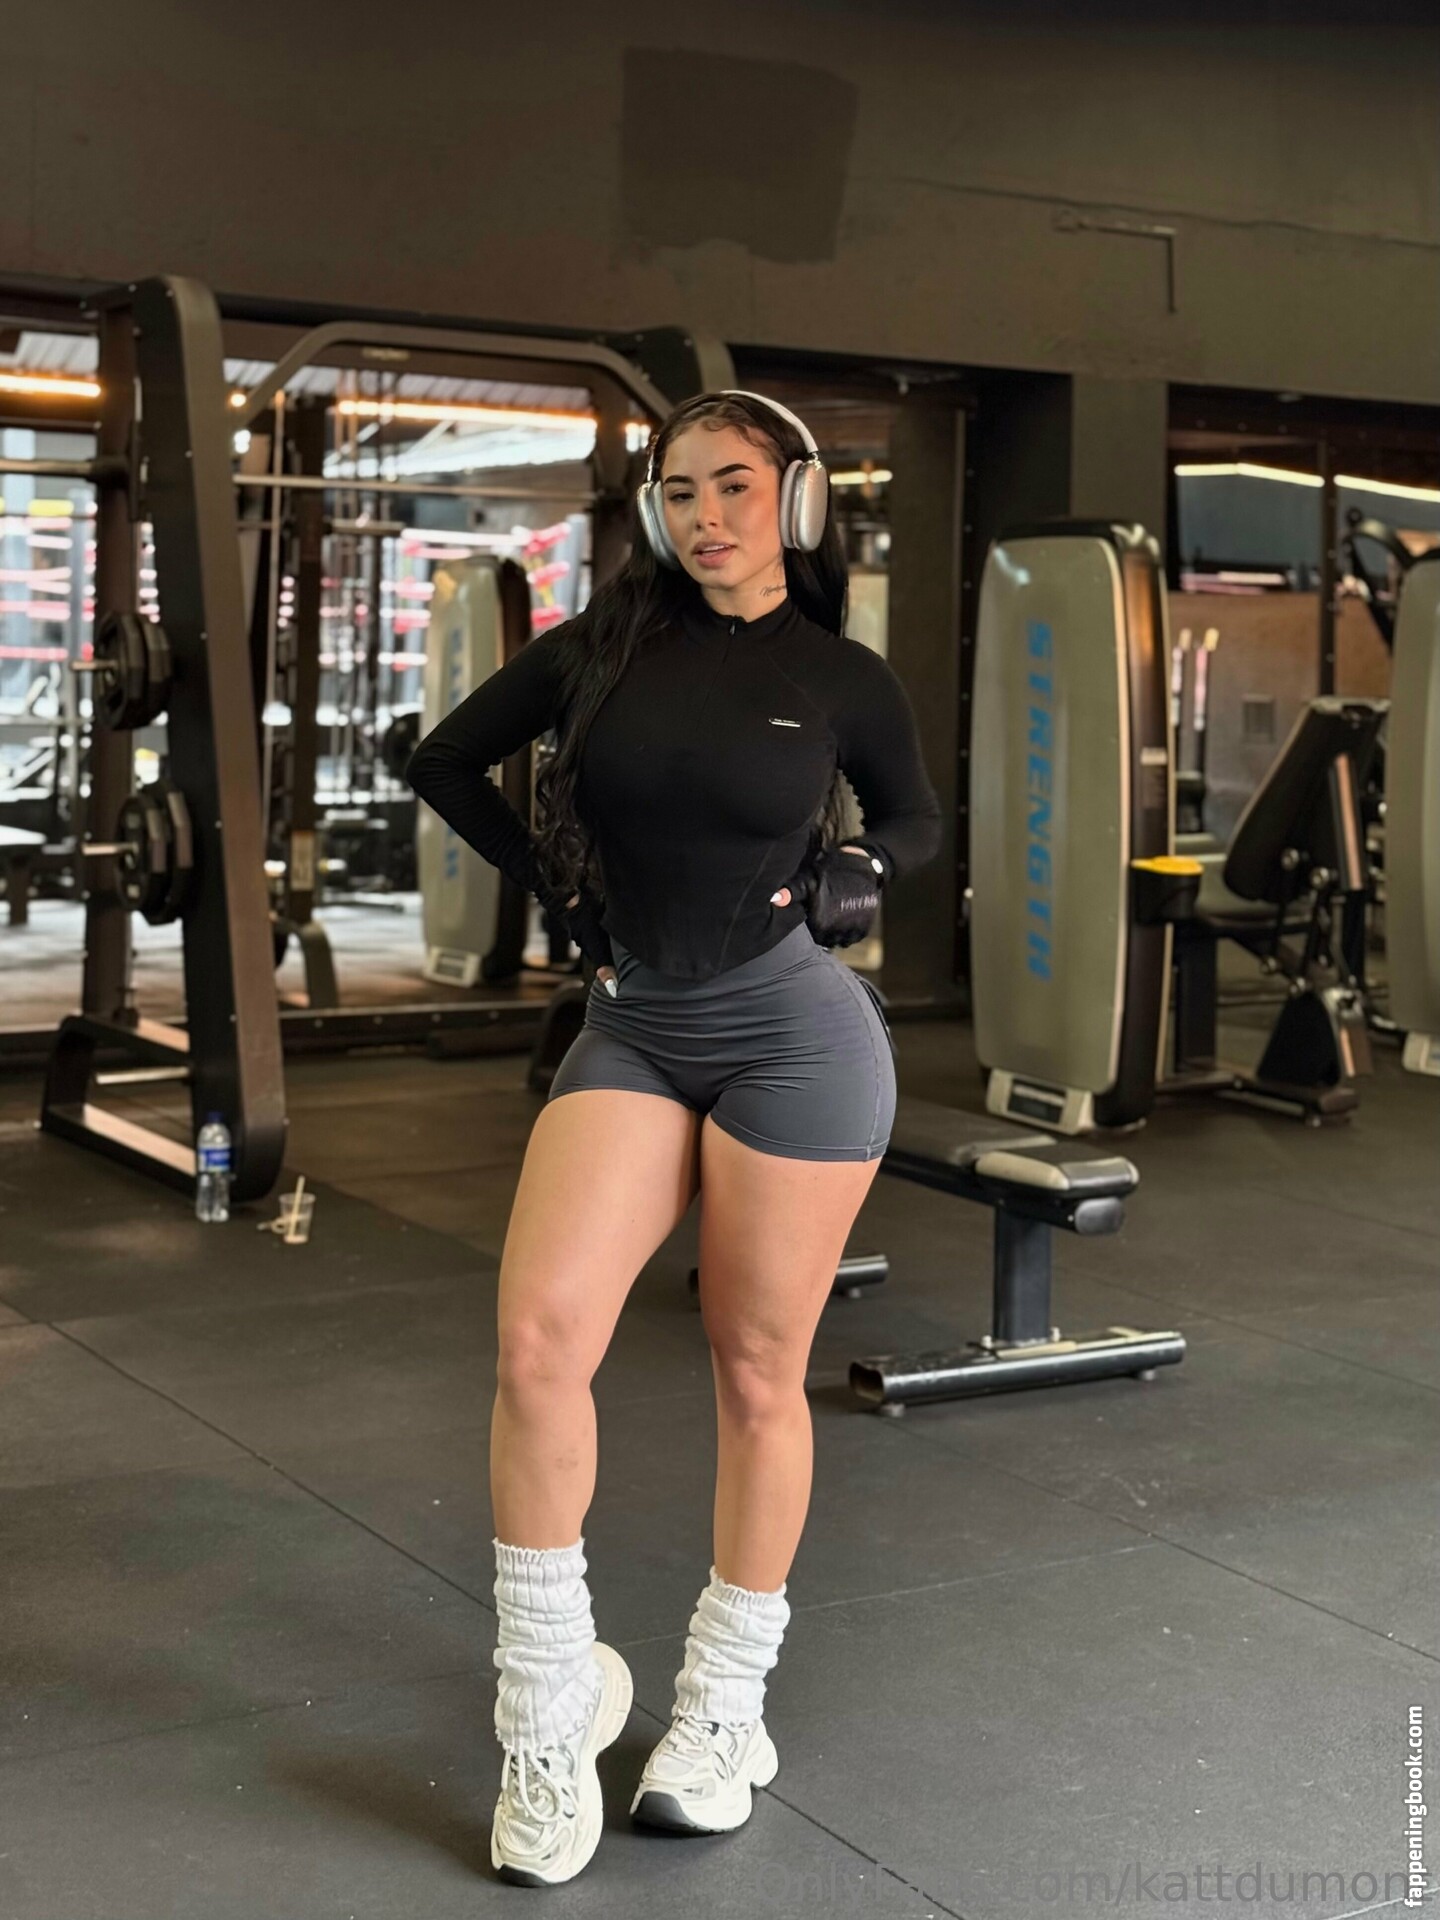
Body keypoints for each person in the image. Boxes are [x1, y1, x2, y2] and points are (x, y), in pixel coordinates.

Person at [406, 389, 942, 1887]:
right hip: (635, 1025)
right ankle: (548, 1706)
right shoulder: (599, 650)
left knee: (756, 1368)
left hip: (795, 1039)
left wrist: (857, 871)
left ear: (798, 499)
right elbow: (445, 760)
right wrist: (553, 889)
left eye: (735, 486)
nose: (707, 517)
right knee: (537, 1343)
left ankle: (722, 1705)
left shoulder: (840, 675)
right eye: (681, 491)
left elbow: (918, 820)